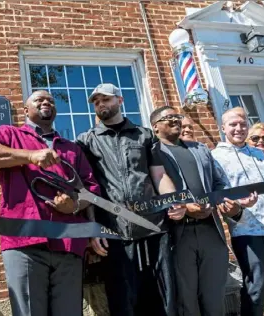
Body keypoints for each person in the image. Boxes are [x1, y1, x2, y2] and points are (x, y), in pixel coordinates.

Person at [0, 90, 100, 316]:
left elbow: (90, 190)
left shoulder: (71, 148)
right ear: (25, 110)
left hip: (69, 243)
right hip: (25, 242)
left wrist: (73, 205)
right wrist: (29, 156)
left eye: (50, 100)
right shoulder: (9, 134)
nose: (46, 102)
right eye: (38, 100)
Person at [76, 83, 185, 316]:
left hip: (154, 227)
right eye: (96, 102)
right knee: (123, 300)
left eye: (105, 99)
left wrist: (175, 201)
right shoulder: (86, 141)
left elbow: (158, 174)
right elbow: (88, 188)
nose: (100, 104)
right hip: (115, 231)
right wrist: (93, 229)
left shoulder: (144, 135)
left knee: (163, 299)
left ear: (120, 101)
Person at [149, 106, 250, 316]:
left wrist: (223, 202)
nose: (175, 120)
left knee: (214, 297)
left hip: (211, 231)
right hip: (178, 235)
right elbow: (150, 192)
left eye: (177, 116)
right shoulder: (151, 153)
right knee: (186, 300)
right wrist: (184, 208)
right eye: (168, 118)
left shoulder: (200, 149)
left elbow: (219, 182)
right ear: (155, 127)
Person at [212, 107, 264, 316]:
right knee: (256, 290)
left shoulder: (258, 154)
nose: (239, 128)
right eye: (233, 124)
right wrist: (240, 206)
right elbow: (221, 195)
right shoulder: (215, 157)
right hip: (248, 232)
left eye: (243, 124)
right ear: (223, 127)